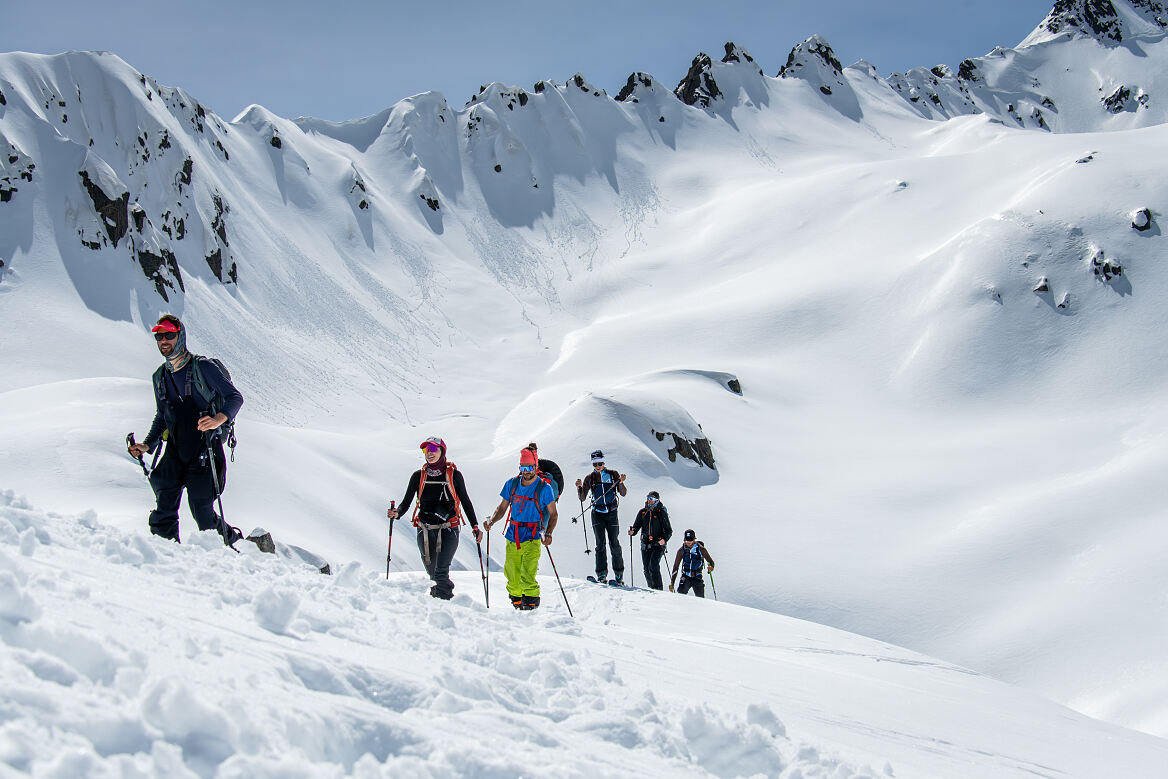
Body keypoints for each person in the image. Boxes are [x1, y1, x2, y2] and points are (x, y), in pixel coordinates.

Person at [126, 315, 244, 546]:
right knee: (164, 506)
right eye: (159, 336)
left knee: (202, 512)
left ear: (181, 336)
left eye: (169, 335)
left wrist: (218, 419)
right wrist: (148, 445)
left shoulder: (203, 368)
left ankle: (235, 545)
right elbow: (162, 416)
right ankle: (167, 552)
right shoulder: (159, 377)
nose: (164, 341)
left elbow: (234, 397)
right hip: (176, 449)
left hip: (204, 449)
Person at [387, 437, 482, 600]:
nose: (429, 454)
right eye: (426, 450)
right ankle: (439, 598)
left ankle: (444, 601)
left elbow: (465, 501)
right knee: (432, 572)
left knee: (441, 571)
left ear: (442, 451)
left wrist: (475, 526)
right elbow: (406, 501)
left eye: (433, 450)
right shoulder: (418, 476)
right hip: (424, 529)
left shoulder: (454, 475)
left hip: (449, 529)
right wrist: (397, 513)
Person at [485, 448, 559, 610]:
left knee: (527, 574)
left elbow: (553, 514)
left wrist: (549, 533)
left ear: (535, 466)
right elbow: (502, 508)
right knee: (511, 575)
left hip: (533, 536)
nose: (525, 472)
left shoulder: (544, 488)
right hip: (513, 534)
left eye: (529, 467)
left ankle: (531, 603)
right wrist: (492, 520)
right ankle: (517, 602)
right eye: (522, 468)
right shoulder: (511, 484)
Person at [575, 449, 627, 584]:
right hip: (597, 513)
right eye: (595, 464)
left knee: (614, 543)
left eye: (599, 463)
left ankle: (619, 574)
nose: (597, 466)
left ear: (604, 462)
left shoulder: (613, 474)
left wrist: (620, 482)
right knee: (600, 545)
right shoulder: (590, 478)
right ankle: (601, 574)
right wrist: (579, 488)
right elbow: (582, 497)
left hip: (611, 512)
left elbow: (623, 493)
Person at [629, 491, 672, 590]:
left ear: (657, 500)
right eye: (648, 498)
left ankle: (658, 589)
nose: (649, 500)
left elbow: (669, 530)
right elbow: (637, 526)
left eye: (652, 499)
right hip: (645, 544)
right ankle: (651, 587)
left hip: (657, 544)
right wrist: (633, 531)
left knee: (653, 565)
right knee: (646, 569)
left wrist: (664, 539)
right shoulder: (643, 512)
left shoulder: (661, 512)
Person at [670, 529, 715, 597]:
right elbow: (676, 567)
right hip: (685, 576)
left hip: (697, 576)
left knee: (700, 598)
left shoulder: (701, 549)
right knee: (680, 595)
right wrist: (672, 583)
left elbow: (711, 561)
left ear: (694, 540)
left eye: (690, 540)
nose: (688, 542)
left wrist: (711, 567)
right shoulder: (681, 550)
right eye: (687, 540)